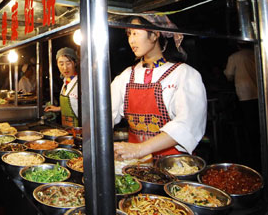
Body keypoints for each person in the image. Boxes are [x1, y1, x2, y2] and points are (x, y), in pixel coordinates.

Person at [111, 14, 207, 160]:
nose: (131, 40)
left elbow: (187, 125)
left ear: (155, 34)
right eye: (129, 34)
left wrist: (141, 149)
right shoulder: (126, 76)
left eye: (136, 33)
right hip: (134, 164)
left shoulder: (183, 74)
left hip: (174, 165)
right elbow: (105, 114)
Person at [223, 42, 260, 169]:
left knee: (249, 123)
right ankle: (258, 148)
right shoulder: (256, 53)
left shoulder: (235, 57)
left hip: (245, 93)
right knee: (259, 121)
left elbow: (229, 74)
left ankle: (251, 151)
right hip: (259, 92)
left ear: (238, 45)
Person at [44, 47, 79, 127]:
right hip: (67, 128)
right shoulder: (66, 82)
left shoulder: (80, 83)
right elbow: (73, 105)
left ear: (75, 63)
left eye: (68, 63)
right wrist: (58, 108)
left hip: (80, 128)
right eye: (61, 64)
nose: (65, 68)